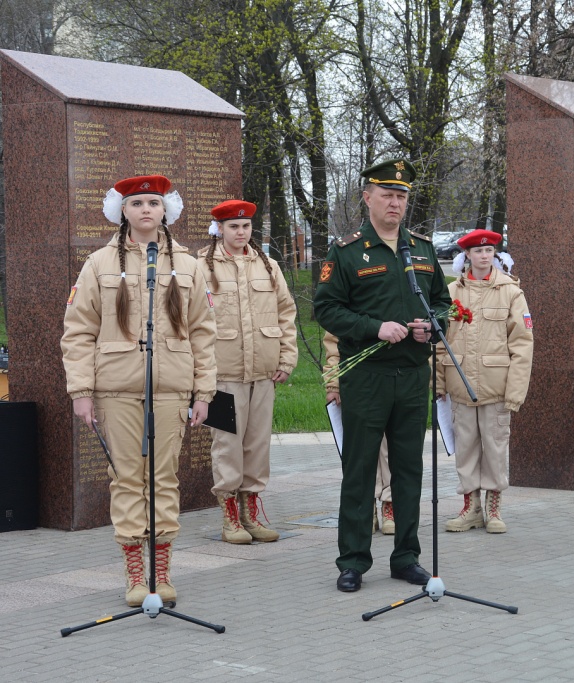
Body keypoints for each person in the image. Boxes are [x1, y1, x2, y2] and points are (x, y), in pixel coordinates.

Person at [61, 175, 217, 606]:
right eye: (137, 203)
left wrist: (203, 392)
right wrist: (81, 391)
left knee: (163, 477)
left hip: (170, 387)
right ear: (122, 211)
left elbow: (204, 333)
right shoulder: (98, 264)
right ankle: (135, 571)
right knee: (128, 478)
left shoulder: (188, 265)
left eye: (153, 202)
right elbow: (78, 331)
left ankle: (161, 571)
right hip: (116, 387)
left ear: (166, 209)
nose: (146, 210)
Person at [313, 158, 451, 593]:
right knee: (359, 469)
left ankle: (406, 556)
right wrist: (375, 328)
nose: (395, 202)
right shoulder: (347, 250)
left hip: (412, 375)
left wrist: (435, 325)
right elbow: (327, 308)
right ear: (367, 197)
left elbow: (443, 302)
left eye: (402, 196)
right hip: (368, 377)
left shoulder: (423, 249)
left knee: (410, 470)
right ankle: (353, 560)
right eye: (387, 194)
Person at [198, 200, 297, 545]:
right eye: (233, 227)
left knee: (257, 445)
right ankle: (229, 518)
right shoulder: (202, 268)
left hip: (262, 373)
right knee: (227, 445)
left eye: (246, 227)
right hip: (221, 376)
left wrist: (286, 359)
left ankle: (251, 514)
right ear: (219, 229)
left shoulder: (268, 267)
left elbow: (286, 312)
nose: (241, 233)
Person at [436, 229, 534, 534]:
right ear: (467, 256)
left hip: (495, 387)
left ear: (495, 255)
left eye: (489, 251)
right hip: (460, 386)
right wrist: (438, 383)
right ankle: (471, 507)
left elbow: (522, 343)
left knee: (494, 448)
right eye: (477, 251)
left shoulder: (510, 291)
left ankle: (493, 508)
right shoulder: (452, 293)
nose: (483, 256)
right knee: (465, 449)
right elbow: (441, 342)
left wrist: (515, 392)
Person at [324, 331, 394, 535]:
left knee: (390, 449)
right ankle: (366, 506)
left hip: (391, 377)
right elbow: (333, 344)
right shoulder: (347, 300)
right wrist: (333, 383)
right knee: (362, 450)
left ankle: (390, 504)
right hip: (356, 381)